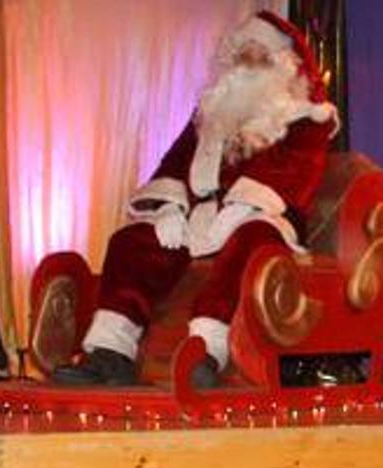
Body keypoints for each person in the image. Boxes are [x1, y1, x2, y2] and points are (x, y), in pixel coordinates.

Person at [54, 11, 336, 388]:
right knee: (132, 241)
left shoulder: (307, 117)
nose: (248, 64)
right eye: (242, 55)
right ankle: (111, 352)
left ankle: (206, 352)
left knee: (249, 240)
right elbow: (174, 164)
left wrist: (241, 208)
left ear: (283, 64)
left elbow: (298, 174)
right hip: (202, 216)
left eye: (259, 55)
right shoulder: (210, 114)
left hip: (266, 217)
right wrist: (171, 206)